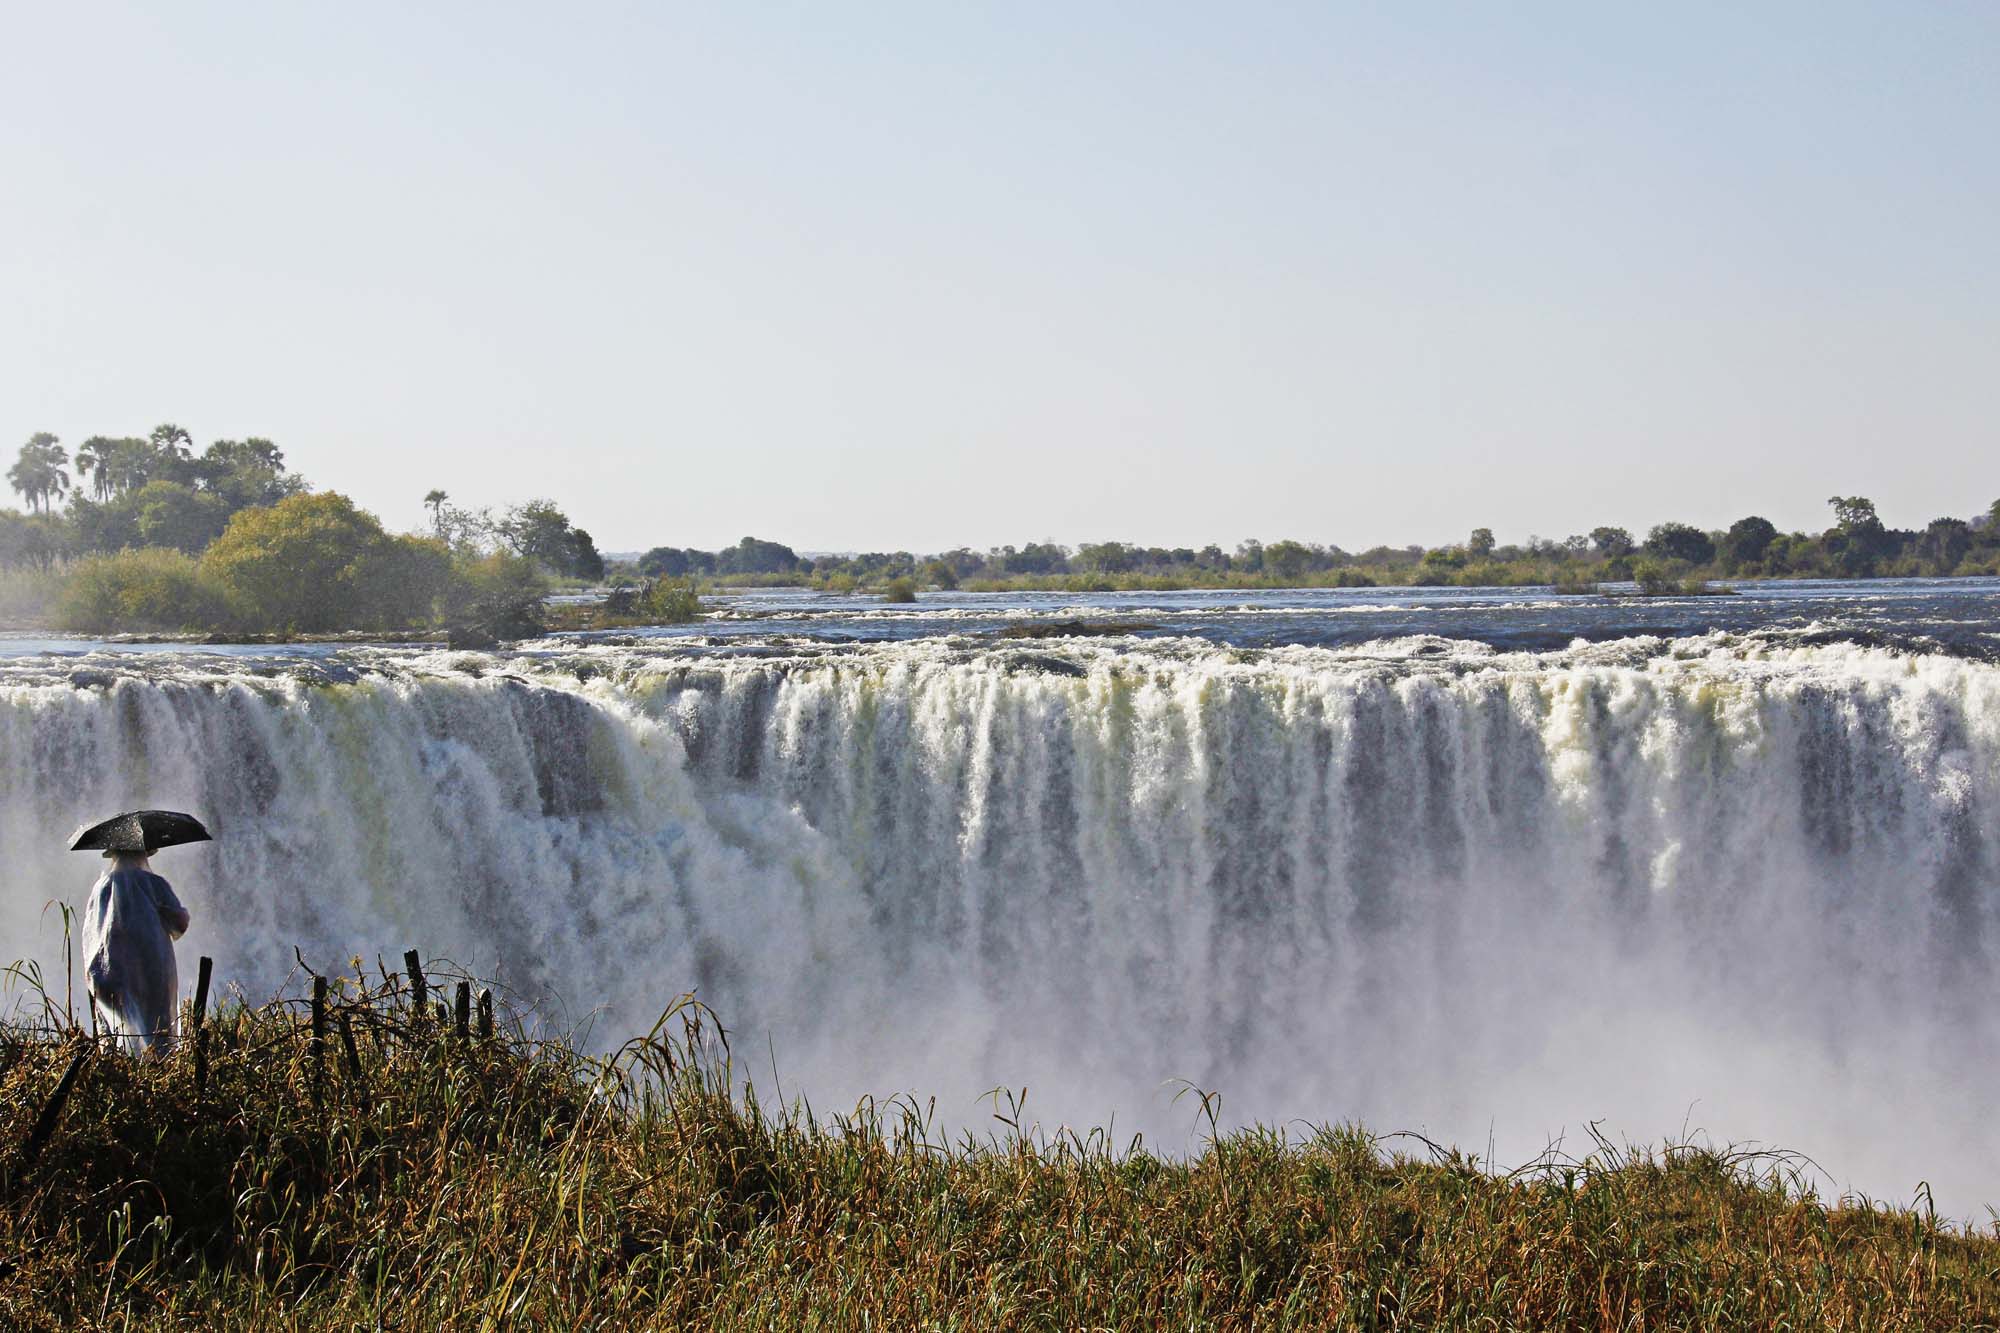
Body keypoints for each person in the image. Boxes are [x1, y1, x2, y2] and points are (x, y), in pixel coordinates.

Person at [82, 849, 191, 1056]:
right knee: (157, 1028)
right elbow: (179, 923)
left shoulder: (100, 887)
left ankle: (120, 1074)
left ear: (113, 856)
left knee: (118, 1034)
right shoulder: (153, 883)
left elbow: (90, 931)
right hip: (151, 969)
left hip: (108, 973)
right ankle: (159, 1078)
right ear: (142, 854)